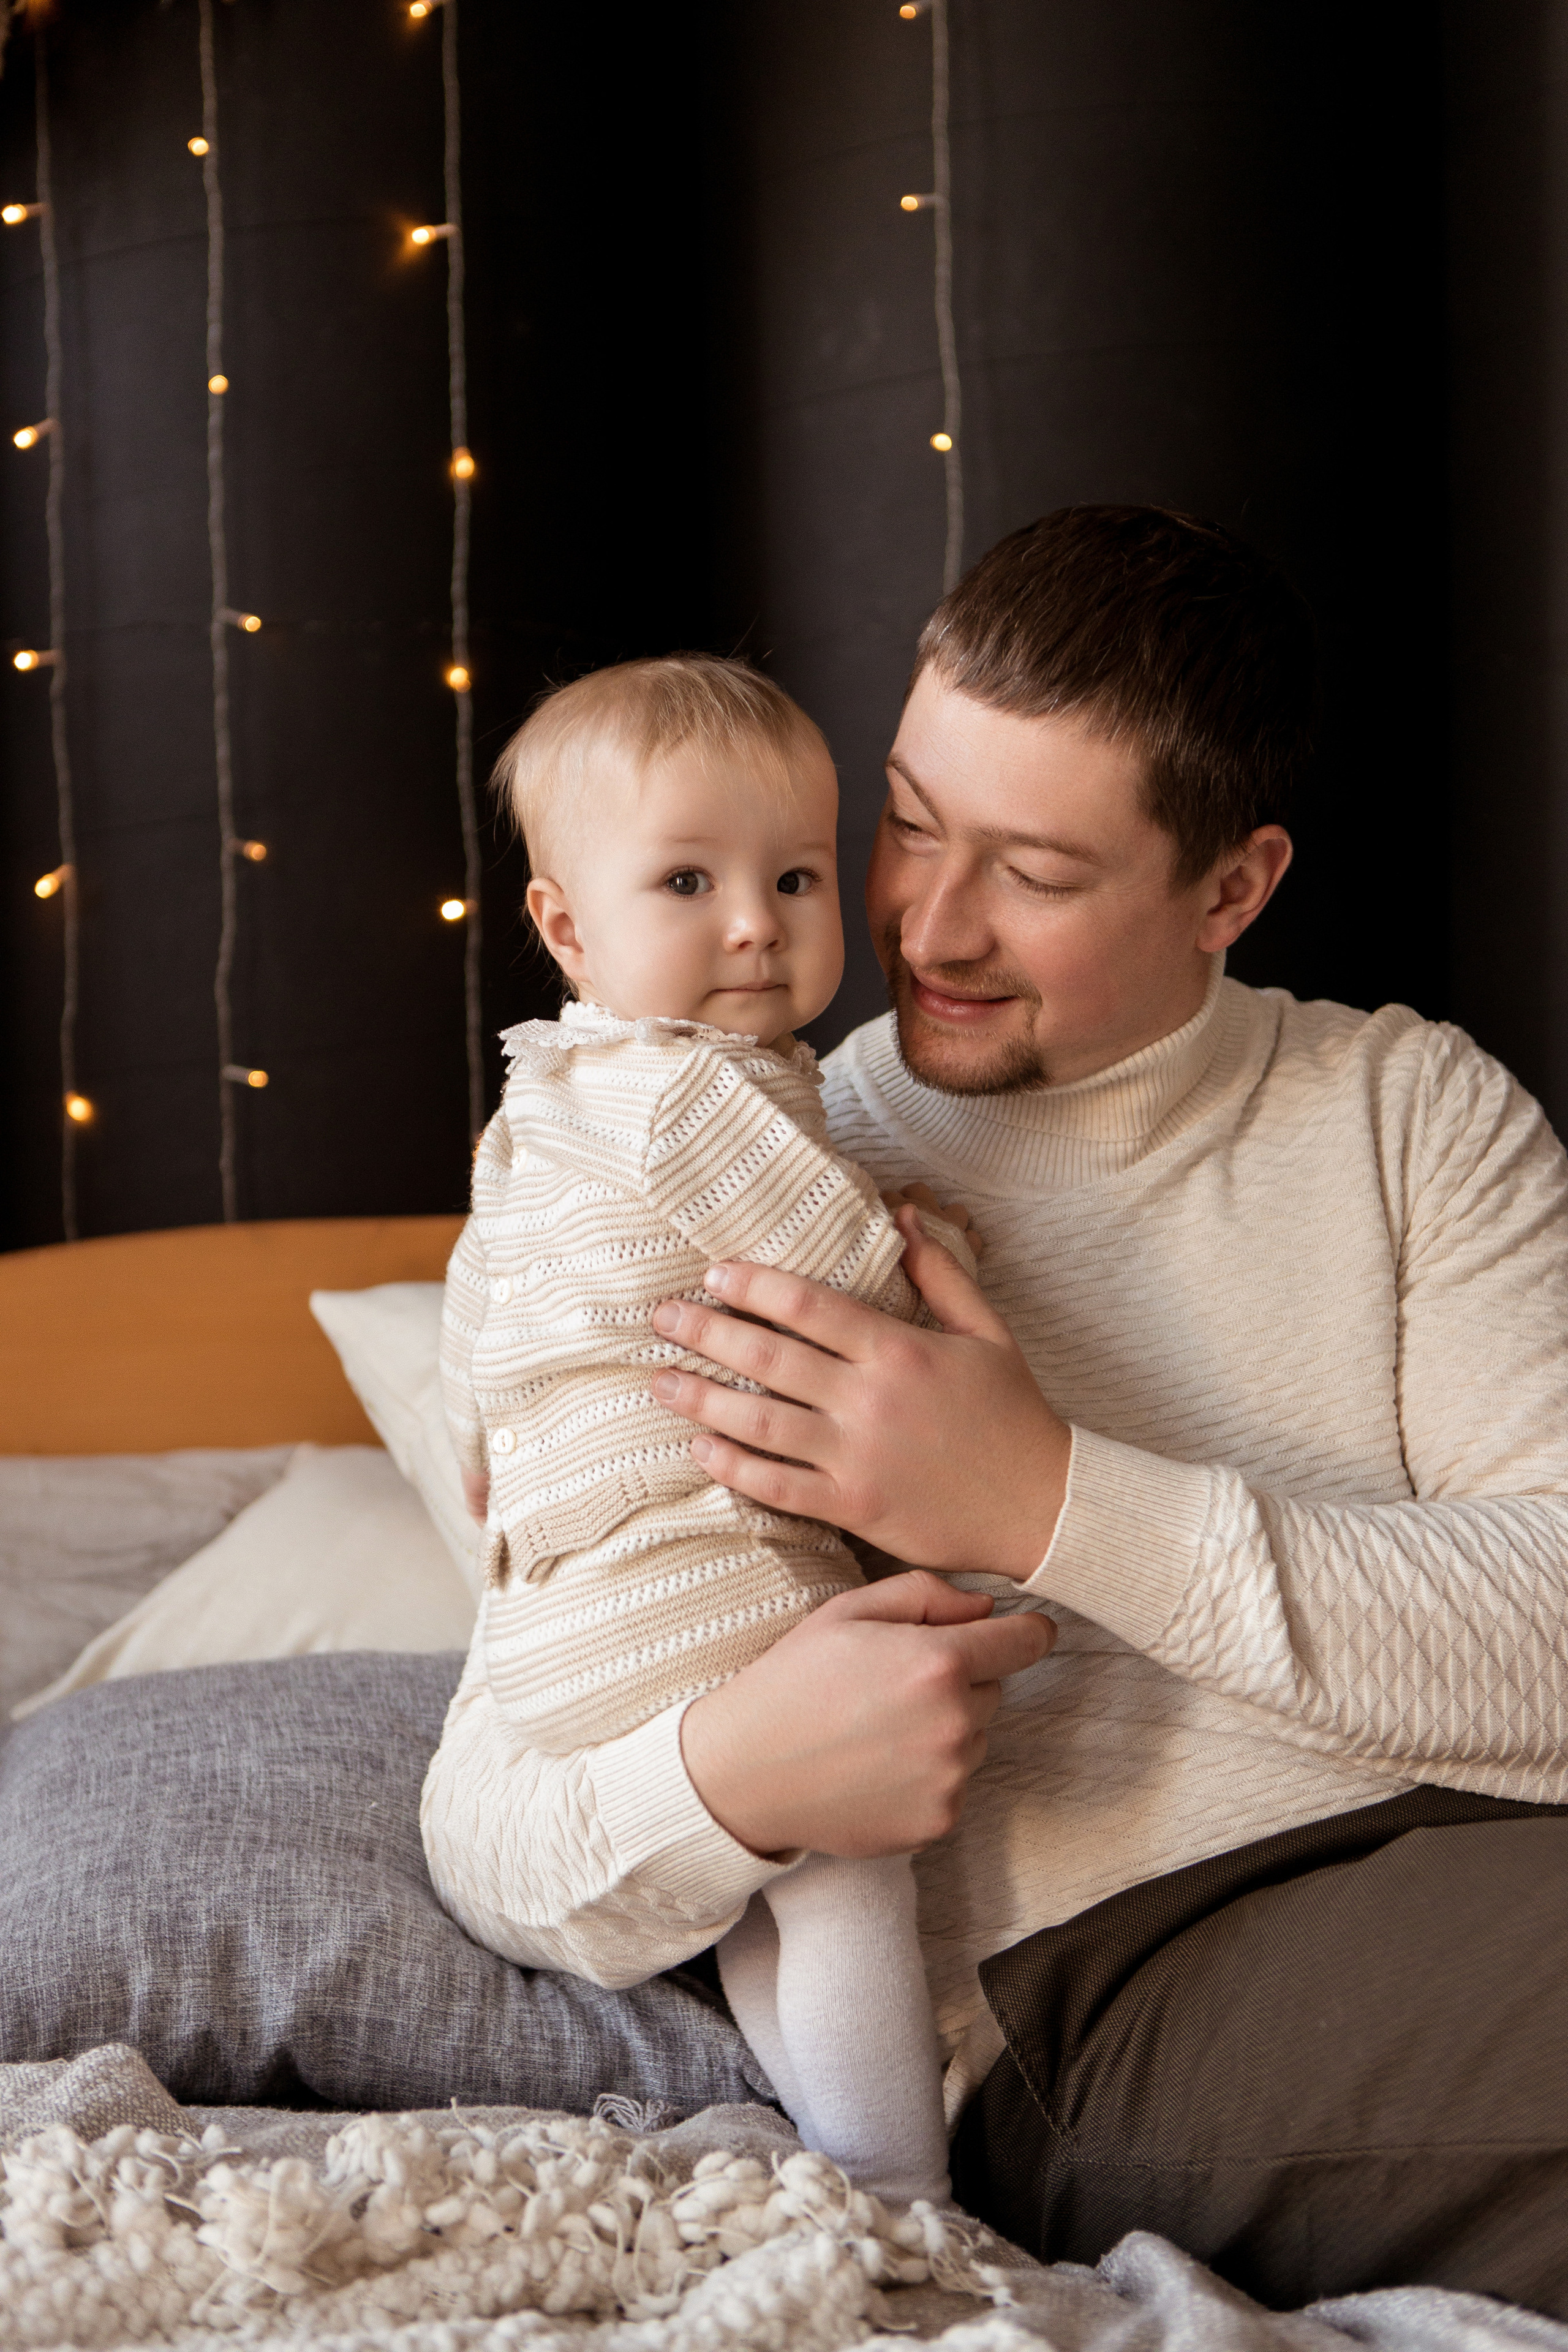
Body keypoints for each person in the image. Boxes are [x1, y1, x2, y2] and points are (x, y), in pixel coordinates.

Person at [422, 506, 1568, 2316]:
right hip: (1126, 1978)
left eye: (1034, 873)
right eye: (909, 823)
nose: (926, 927)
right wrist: (732, 1778)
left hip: (1497, 1863)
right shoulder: (715, 1173)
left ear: (1231, 890)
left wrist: (1046, 1501)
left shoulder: (1415, 1114)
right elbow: (493, 1814)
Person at [436, 653, 987, 2208]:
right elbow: (845, 1287)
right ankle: (902, 2195)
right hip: (701, 1583)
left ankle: (822, 2154)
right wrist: (930, 1253)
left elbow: (475, 1309)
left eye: (796, 876)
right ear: (565, 925)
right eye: (689, 879)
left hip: (565, 1615)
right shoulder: (698, 1095)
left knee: (769, 1892)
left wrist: (489, 1442)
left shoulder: (539, 1101)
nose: (756, 921)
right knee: (845, 1868)